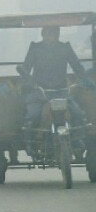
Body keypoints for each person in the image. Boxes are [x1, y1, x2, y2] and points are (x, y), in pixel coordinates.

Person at [20, 26, 95, 154]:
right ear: (43, 34)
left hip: (62, 91)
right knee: (32, 116)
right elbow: (26, 68)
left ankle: (77, 139)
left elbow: (77, 66)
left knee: (78, 114)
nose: (52, 36)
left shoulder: (65, 48)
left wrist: (85, 79)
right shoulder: (35, 48)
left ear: (58, 35)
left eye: (55, 33)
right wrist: (27, 80)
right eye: (49, 33)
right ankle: (30, 144)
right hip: (39, 92)